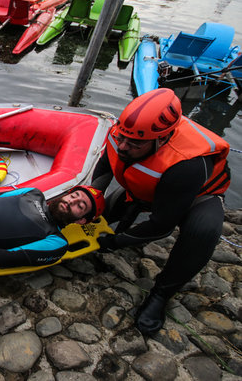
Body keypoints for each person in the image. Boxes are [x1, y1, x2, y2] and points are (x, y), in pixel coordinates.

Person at [92, 88, 231, 336]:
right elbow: (105, 167)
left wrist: (113, 242)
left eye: (133, 143)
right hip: (143, 188)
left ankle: (161, 294)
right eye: (121, 137)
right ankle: (121, 213)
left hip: (196, 198)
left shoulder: (187, 164)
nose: (122, 146)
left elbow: (161, 225)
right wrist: (91, 199)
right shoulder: (123, 134)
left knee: (203, 232)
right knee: (98, 213)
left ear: (162, 139)